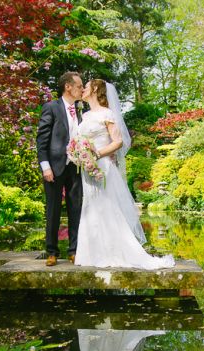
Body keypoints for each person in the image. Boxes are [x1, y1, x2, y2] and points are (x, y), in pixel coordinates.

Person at [73, 79, 175, 270]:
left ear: (95, 89)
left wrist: (97, 154)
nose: (83, 89)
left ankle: (114, 252)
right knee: (91, 207)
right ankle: (92, 254)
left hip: (102, 165)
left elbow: (118, 141)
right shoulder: (85, 115)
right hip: (87, 167)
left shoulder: (107, 113)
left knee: (106, 207)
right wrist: (78, 153)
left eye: (86, 86)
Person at [36, 71, 84, 266]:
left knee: (76, 210)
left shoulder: (81, 111)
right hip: (54, 167)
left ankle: (74, 251)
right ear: (68, 87)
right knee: (53, 211)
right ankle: (52, 252)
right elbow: (42, 139)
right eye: (79, 86)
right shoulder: (51, 107)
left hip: (76, 167)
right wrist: (45, 166)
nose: (82, 89)